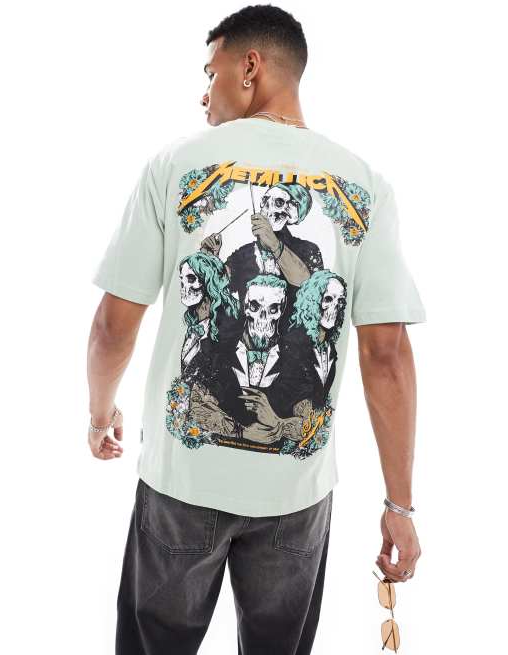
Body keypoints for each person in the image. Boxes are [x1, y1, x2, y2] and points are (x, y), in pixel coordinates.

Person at [87, 5, 426, 654]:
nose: (203, 92)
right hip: (294, 494)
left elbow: (111, 326)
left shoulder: (176, 164)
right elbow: (387, 354)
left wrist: (101, 414)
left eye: (209, 72)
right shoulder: (364, 183)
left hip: (182, 485)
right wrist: (400, 506)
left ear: (249, 67)